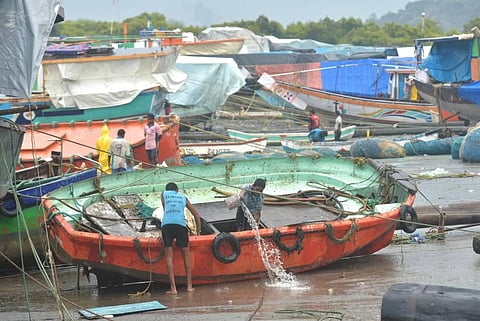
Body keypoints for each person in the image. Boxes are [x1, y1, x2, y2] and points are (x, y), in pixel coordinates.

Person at [161, 182, 201, 295]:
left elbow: (165, 210)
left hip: (167, 224)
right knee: (186, 255)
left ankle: (173, 288)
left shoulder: (163, 194)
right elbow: (196, 215)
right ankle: (189, 286)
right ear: (177, 190)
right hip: (181, 225)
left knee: (169, 256)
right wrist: (198, 232)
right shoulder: (183, 197)